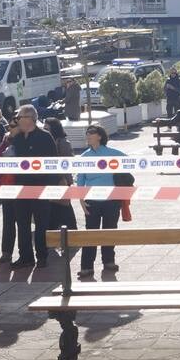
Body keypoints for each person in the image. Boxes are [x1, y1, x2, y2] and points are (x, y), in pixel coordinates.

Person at [8, 104, 58, 268]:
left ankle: (42, 256)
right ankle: (25, 257)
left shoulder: (45, 137)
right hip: (21, 188)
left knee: (41, 223)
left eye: (19, 117)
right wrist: (10, 136)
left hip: (40, 187)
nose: (16, 121)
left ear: (29, 119)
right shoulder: (17, 138)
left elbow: (53, 163)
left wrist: (50, 187)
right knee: (22, 223)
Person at [75, 125, 126, 277]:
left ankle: (109, 261)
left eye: (91, 133)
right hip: (92, 200)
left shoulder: (112, 153)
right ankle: (86, 266)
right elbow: (80, 180)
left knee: (109, 231)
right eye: (87, 133)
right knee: (91, 233)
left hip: (111, 200)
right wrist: (81, 200)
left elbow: (130, 162)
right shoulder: (84, 157)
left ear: (99, 136)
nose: (88, 135)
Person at [45, 118, 78, 230]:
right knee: (52, 207)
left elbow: (68, 162)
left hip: (61, 179)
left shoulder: (63, 142)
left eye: (47, 128)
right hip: (50, 179)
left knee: (65, 205)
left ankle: (72, 231)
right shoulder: (45, 140)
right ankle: (52, 232)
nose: (44, 130)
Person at [0, 117, 19, 265]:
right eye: (9, 126)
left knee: (24, 223)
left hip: (20, 185)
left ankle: (29, 254)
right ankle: (6, 252)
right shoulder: (5, 140)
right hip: (5, 186)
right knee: (8, 221)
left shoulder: (24, 139)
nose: (10, 128)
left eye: (13, 126)